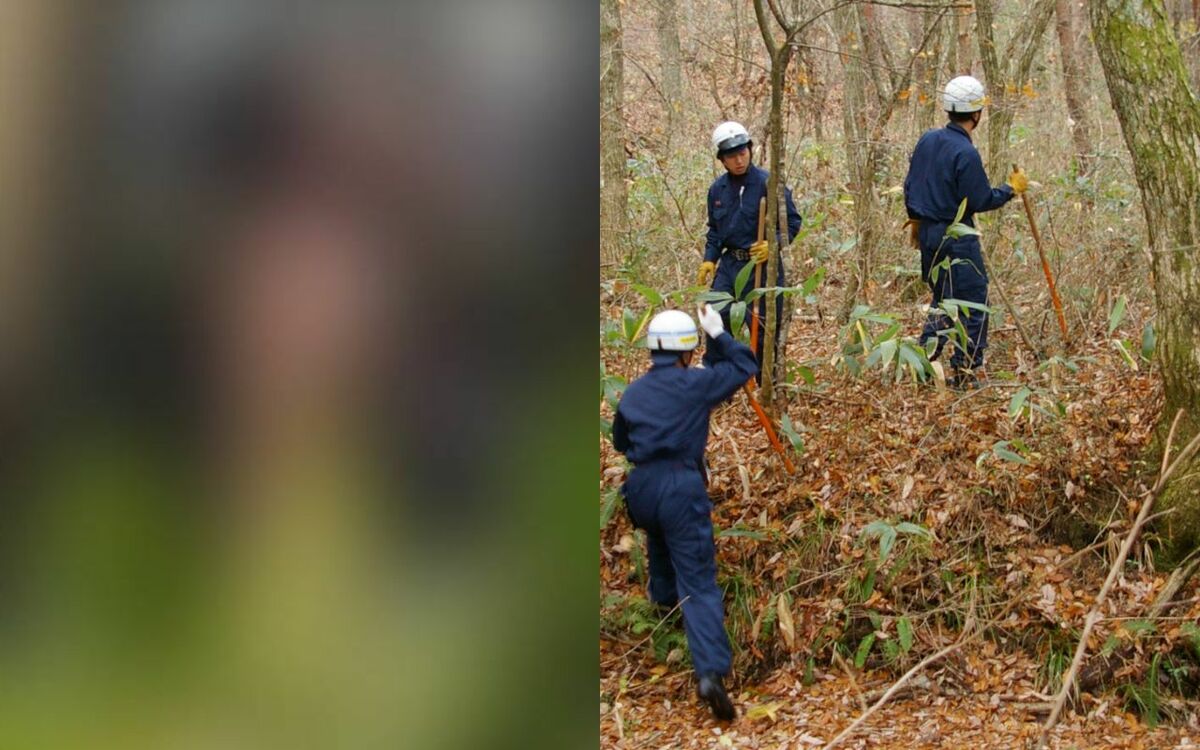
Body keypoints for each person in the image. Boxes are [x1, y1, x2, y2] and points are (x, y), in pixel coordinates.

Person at [611, 305, 757, 721]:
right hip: (679, 485)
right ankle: (710, 672)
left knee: (660, 540)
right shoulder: (695, 385)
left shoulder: (633, 392)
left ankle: (662, 607)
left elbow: (621, 442)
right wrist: (721, 335)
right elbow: (744, 365)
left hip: (640, 489)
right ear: (687, 351)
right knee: (699, 581)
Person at [903, 75, 1028, 388]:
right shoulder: (965, 153)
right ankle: (965, 372)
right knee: (974, 303)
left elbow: (910, 186)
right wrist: (1009, 190)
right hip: (956, 237)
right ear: (976, 113)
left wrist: (917, 222)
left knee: (944, 299)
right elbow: (980, 199)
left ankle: (924, 366)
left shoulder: (927, 140)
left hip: (928, 234)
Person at [696, 122, 802, 369]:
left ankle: (765, 383)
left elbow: (792, 223)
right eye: (731, 156)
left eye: (742, 153)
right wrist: (709, 258)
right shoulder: (717, 190)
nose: (739, 160)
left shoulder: (769, 183)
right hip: (730, 265)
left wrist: (772, 244)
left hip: (762, 266)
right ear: (722, 160)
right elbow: (715, 231)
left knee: (763, 327)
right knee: (715, 320)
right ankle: (716, 379)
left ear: (750, 150)